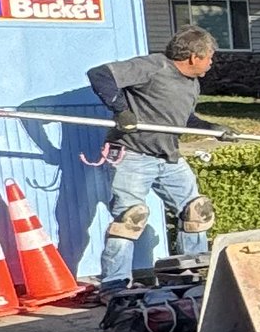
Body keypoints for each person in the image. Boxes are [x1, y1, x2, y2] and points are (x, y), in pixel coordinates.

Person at [87, 26, 220, 283]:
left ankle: (190, 276)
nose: (211, 63)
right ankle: (115, 286)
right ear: (194, 57)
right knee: (130, 219)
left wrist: (212, 128)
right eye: (210, 57)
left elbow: (182, 119)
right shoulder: (154, 66)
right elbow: (100, 74)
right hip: (134, 155)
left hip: (168, 157)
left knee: (196, 212)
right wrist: (121, 111)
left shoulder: (191, 84)